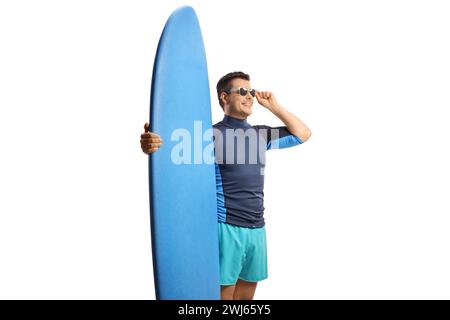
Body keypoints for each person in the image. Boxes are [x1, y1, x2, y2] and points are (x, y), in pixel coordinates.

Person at [140, 71, 311, 300]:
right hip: (227, 228)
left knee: (245, 301)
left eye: (251, 91)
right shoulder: (210, 135)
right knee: (223, 299)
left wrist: (274, 106)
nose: (249, 96)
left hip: (257, 228)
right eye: (242, 91)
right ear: (224, 97)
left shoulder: (261, 134)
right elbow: (166, 145)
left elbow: (303, 134)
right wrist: (150, 142)